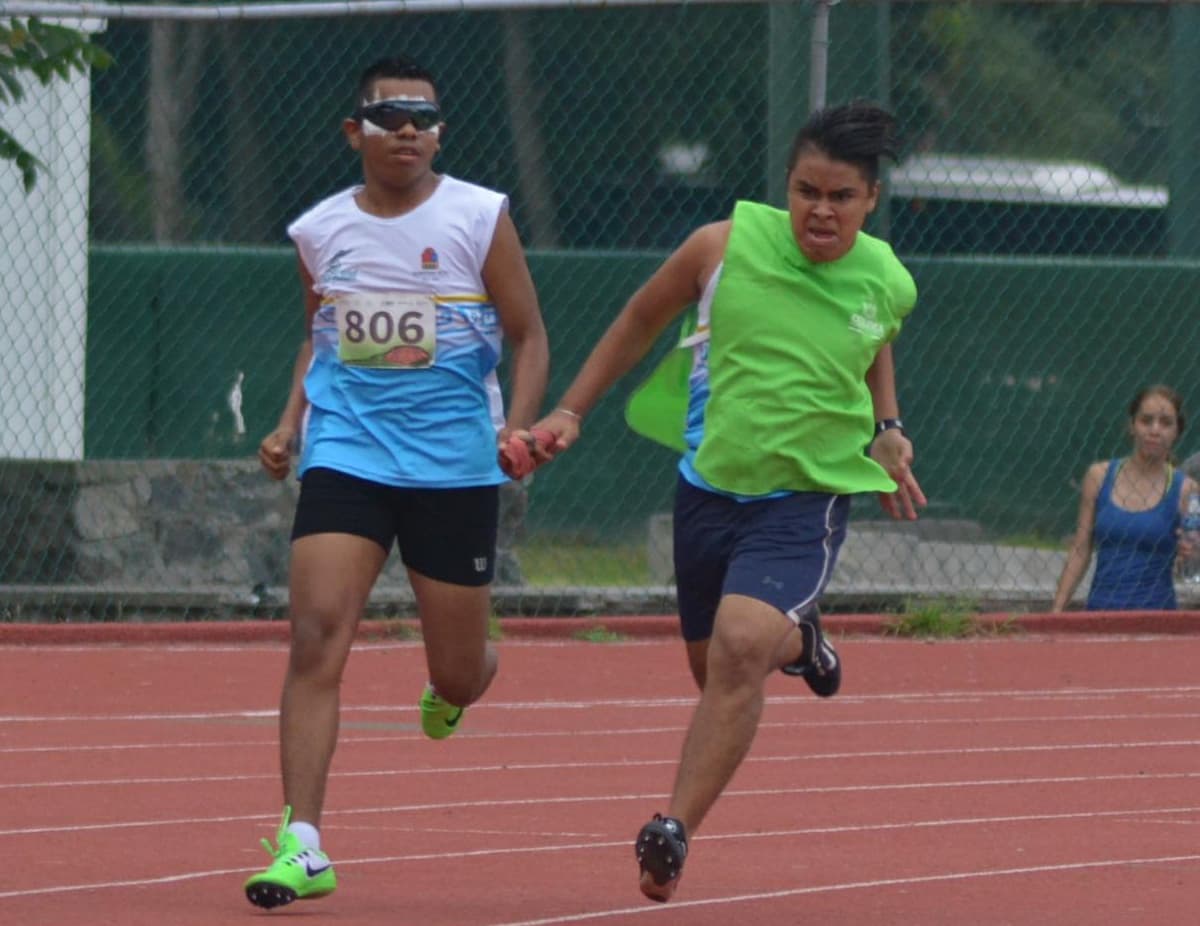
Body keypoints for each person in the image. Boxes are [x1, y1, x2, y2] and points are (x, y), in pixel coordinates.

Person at [530, 101, 925, 903]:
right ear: (787, 185)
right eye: (806, 190)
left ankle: (673, 828)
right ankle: (804, 644)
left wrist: (886, 426)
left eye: (841, 197)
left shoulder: (888, 277)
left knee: (741, 649)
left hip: (804, 497)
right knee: (715, 668)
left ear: (871, 200)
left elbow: (874, 332)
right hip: (709, 489)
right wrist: (570, 409)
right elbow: (641, 318)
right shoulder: (723, 245)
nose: (820, 210)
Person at [243, 55, 550, 909]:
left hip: (454, 463)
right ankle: (302, 842)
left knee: (457, 672)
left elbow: (529, 335)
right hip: (349, 452)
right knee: (315, 636)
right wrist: (289, 422)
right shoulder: (318, 231)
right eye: (388, 117)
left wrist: (515, 428)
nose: (406, 129)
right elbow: (323, 337)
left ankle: (456, 684)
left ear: (439, 131)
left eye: (422, 116)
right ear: (357, 132)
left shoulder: (479, 217)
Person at [1051, 385, 1197, 612]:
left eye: (1166, 423)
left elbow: (1190, 561)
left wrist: (1191, 554)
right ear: (1132, 426)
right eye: (1146, 420)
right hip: (1100, 614)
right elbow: (1080, 549)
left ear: (1177, 431)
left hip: (1158, 619)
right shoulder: (1098, 476)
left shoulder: (1187, 489)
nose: (1155, 430)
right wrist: (1056, 612)